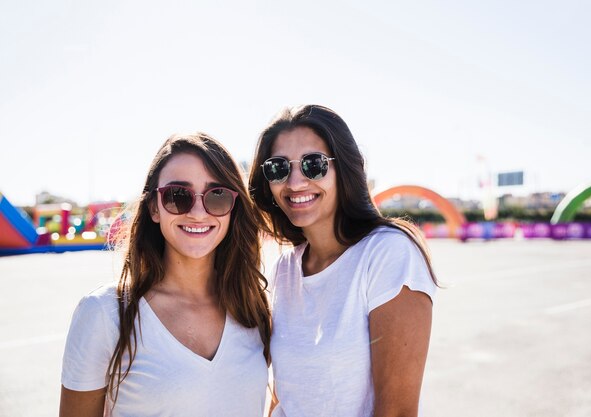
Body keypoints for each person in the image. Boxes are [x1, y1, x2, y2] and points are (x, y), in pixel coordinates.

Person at [60, 133, 271, 417]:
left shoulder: (253, 309)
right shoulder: (104, 313)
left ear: (233, 209)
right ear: (153, 208)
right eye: (177, 196)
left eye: (217, 195)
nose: (198, 213)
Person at [248, 105, 438, 417]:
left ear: (345, 169)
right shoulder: (284, 269)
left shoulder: (388, 254)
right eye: (278, 168)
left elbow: (398, 412)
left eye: (313, 165)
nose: (295, 183)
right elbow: (284, 397)